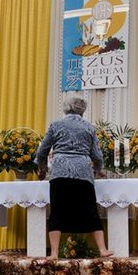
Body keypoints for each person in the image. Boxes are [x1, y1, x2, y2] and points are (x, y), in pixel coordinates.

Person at [35, 95, 113, 258]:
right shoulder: (89, 127)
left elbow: (42, 151)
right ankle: (102, 250)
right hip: (83, 172)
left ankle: (55, 252)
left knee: (57, 211)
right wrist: (99, 169)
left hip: (60, 172)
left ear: (66, 108)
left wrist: (42, 169)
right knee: (90, 210)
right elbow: (97, 154)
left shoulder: (55, 125)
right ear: (82, 110)